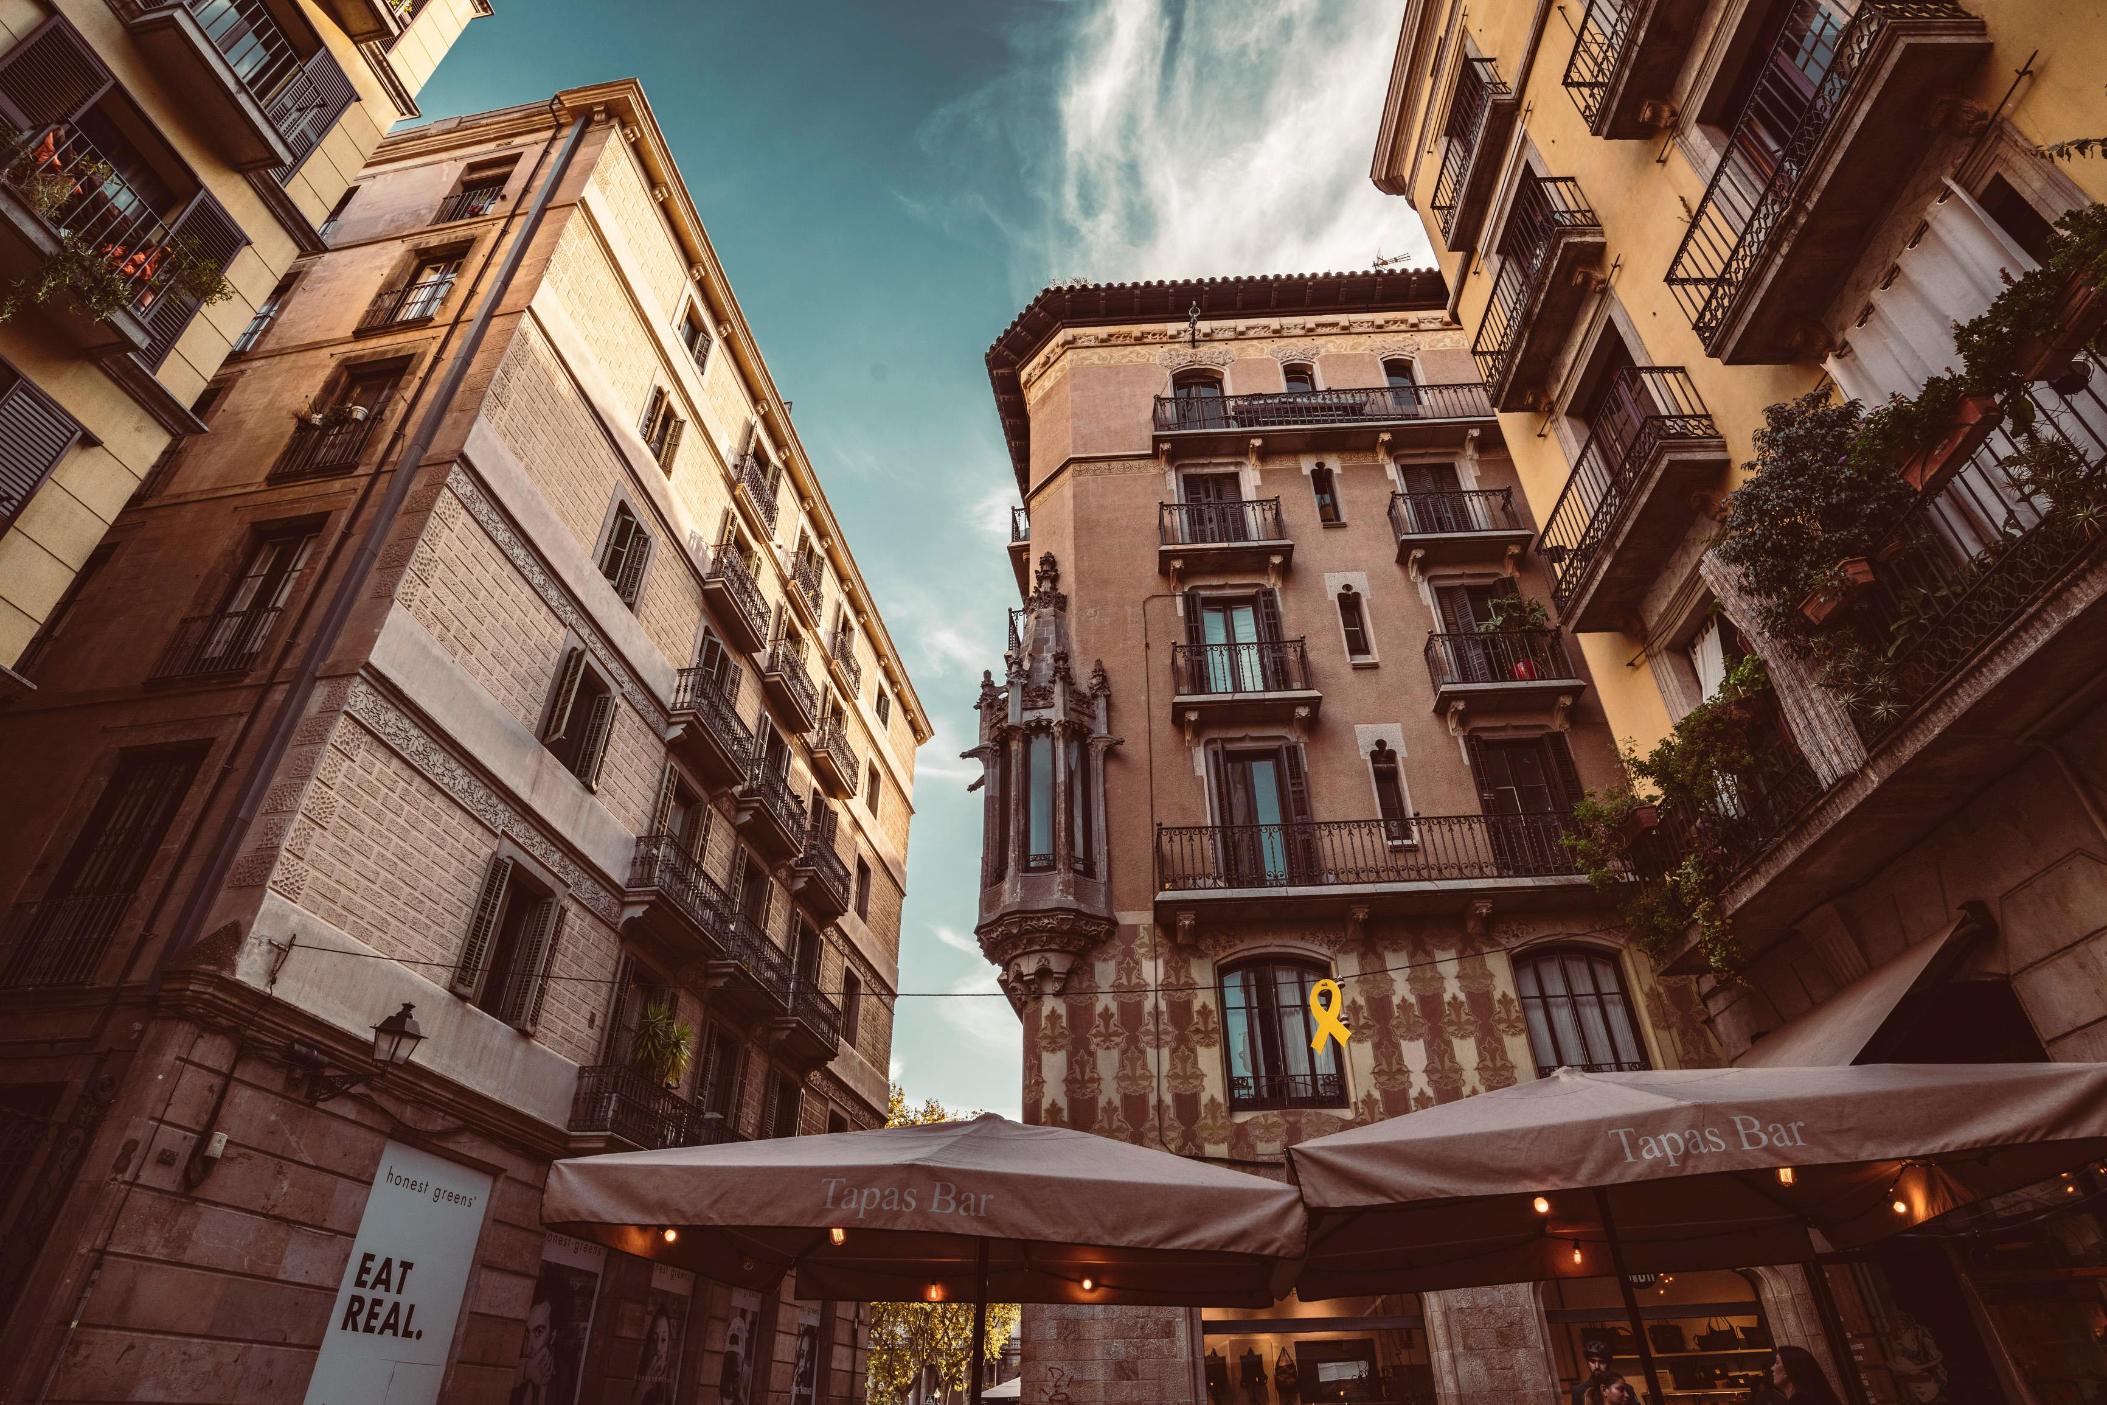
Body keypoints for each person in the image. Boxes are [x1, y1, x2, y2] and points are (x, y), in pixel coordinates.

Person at [1768, 1345, 1845, 1405]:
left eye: (1777, 1363)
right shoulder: (1810, 1398)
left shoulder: (1800, 1401)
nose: (1772, 1368)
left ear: (1789, 1369)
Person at [633, 1304, 676, 1405]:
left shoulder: (673, 1381)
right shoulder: (636, 1374)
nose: (658, 1348)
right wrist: (641, 1389)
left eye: (663, 1339)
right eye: (654, 1339)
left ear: (669, 1344)